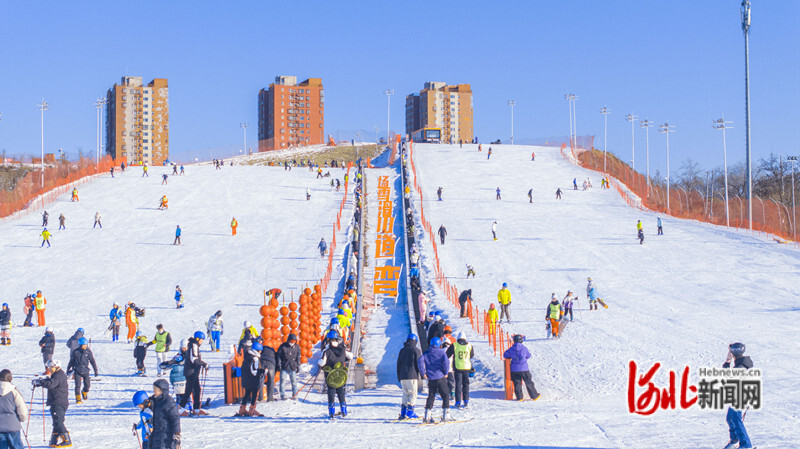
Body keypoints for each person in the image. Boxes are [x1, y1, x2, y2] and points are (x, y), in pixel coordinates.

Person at [722, 343, 754, 449]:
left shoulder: (740, 367)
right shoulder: (742, 364)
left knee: (736, 419)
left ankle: (746, 445)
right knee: (730, 418)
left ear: (733, 353)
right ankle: (735, 440)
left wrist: (727, 362)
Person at [33, 359, 71, 447]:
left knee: (58, 422)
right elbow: (51, 383)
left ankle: (67, 439)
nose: (49, 369)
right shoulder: (56, 375)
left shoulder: (59, 375)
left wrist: (41, 382)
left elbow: (51, 384)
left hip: (59, 402)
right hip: (56, 402)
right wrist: (41, 382)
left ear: (56, 367)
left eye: (51, 367)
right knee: (56, 422)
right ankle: (53, 441)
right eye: (49, 367)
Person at [318, 330, 352, 418]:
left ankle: (331, 412)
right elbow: (351, 356)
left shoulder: (327, 351)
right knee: (341, 392)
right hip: (340, 376)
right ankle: (343, 409)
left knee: (331, 392)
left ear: (328, 340)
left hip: (330, 377)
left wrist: (320, 362)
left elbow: (322, 363)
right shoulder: (343, 350)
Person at [418, 337, 450, 423]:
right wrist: (446, 372)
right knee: (445, 395)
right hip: (440, 377)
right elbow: (446, 363)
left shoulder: (426, 353)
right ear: (439, 344)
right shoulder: (442, 353)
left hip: (431, 378)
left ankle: (427, 415)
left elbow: (420, 361)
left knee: (431, 396)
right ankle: (445, 415)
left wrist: (423, 373)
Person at [503, 335, 541, 401]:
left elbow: (505, 355)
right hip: (524, 368)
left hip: (514, 369)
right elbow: (528, 355)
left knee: (517, 383)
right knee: (528, 382)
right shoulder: (524, 348)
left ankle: (519, 397)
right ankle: (534, 396)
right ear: (521, 340)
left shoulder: (511, 349)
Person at [179, 332, 208, 416]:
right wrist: (204, 364)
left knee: (197, 390)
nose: (202, 342)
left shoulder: (194, 345)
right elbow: (194, 359)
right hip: (190, 372)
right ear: (198, 339)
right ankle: (180, 409)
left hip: (194, 372)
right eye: (202, 340)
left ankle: (196, 409)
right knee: (188, 390)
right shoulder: (193, 345)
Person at [149, 379, 181, 449]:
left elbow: (175, 417)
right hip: (156, 433)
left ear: (162, 391)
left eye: (156, 389)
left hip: (166, 433)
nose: (154, 391)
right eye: (153, 389)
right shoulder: (154, 400)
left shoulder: (168, 401)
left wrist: (177, 432)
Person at [0, 369, 28, 449]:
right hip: (13, 424)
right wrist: (22, 418)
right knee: (16, 446)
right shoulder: (13, 391)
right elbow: (21, 407)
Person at [396, 334, 421, 420]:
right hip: (412, 376)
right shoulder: (416, 350)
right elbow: (419, 363)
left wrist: (399, 376)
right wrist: (421, 374)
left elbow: (398, 364)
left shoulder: (402, 350)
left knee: (405, 394)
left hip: (403, 376)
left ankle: (403, 412)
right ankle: (410, 412)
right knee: (412, 394)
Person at [237, 341, 265, 416]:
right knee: (255, 394)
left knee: (247, 394)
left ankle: (242, 408)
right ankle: (252, 409)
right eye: (260, 351)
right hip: (253, 380)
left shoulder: (247, 357)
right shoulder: (255, 359)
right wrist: (263, 371)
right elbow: (254, 371)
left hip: (246, 379)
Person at [66, 337, 98, 404]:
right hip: (77, 370)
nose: (85, 346)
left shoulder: (88, 352)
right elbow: (71, 361)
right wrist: (68, 369)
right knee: (77, 385)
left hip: (86, 370)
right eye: (84, 345)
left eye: (86, 344)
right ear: (80, 345)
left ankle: (84, 392)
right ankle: (78, 399)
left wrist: (96, 370)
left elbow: (92, 361)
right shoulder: (75, 352)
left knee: (87, 385)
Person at [447, 331, 474, 408]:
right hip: (466, 367)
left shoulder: (454, 345)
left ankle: (458, 401)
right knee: (466, 384)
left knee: (458, 384)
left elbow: (447, 354)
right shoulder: (469, 346)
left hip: (457, 367)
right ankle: (466, 400)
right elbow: (471, 355)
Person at [277, 334, 301, 400]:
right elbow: (278, 356)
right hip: (284, 366)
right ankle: (283, 395)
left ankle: (295, 395)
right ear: (288, 341)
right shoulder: (283, 346)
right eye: (291, 341)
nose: (292, 343)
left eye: (293, 342)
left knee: (294, 382)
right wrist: (279, 365)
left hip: (292, 366)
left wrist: (298, 365)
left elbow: (298, 357)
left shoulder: (297, 347)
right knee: (282, 382)